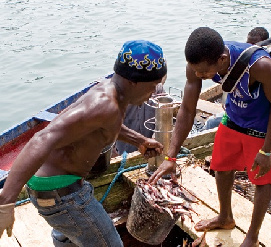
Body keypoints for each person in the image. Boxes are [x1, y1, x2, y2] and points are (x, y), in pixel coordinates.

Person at [0, 40, 167, 247]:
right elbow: (41, 139)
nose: (154, 92)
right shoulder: (104, 105)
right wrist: (6, 202)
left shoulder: (109, 89)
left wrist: (140, 140)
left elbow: (106, 126)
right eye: (152, 86)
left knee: (68, 235)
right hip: (62, 194)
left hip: (52, 189)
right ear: (134, 81)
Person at [149, 27, 271, 247]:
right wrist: (171, 157)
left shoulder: (260, 66)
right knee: (221, 166)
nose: (200, 76)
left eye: (204, 73)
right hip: (232, 117)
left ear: (222, 60)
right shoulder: (197, 65)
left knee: (263, 178)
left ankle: (252, 235)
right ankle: (225, 217)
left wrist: (267, 150)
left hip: (261, 125)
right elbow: (187, 108)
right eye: (196, 72)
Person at [202, 26, 270, 131]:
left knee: (213, 122)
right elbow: (228, 83)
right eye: (248, 44)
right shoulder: (240, 59)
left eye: (254, 45)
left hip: (254, 119)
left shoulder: (262, 66)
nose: (250, 48)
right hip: (235, 111)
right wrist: (225, 102)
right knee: (211, 122)